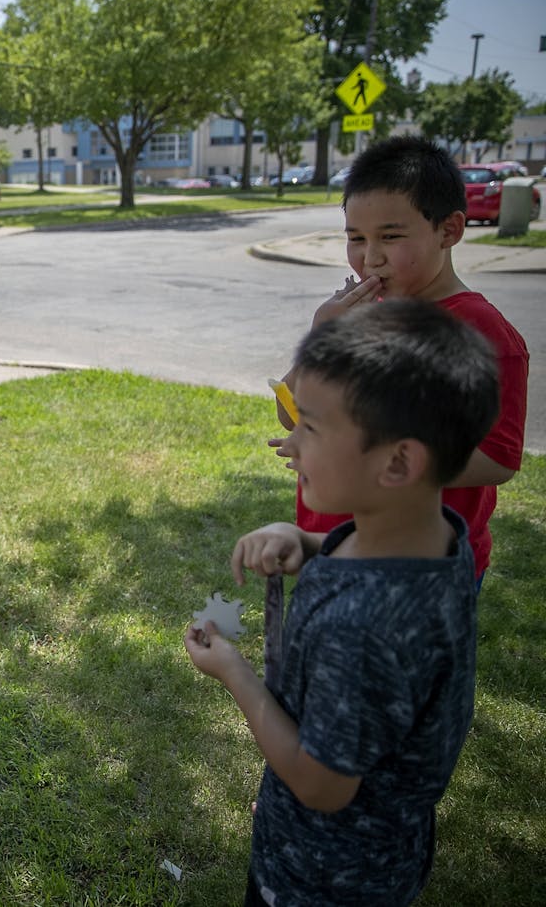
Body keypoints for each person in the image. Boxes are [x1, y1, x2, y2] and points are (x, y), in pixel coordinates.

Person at [188, 300, 499, 906]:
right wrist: (304, 540)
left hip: (324, 878)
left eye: (312, 427)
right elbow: (359, 556)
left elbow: (321, 786)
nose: (293, 443)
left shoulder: (365, 630)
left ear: (399, 461)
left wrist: (234, 672)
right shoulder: (434, 540)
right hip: (385, 855)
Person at [271, 135, 529, 584]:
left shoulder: (482, 333)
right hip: (331, 548)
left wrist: (365, 460)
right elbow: (291, 416)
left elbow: (498, 458)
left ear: (449, 230)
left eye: (390, 237)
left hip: (423, 565)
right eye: (356, 239)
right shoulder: (356, 318)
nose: (370, 259)